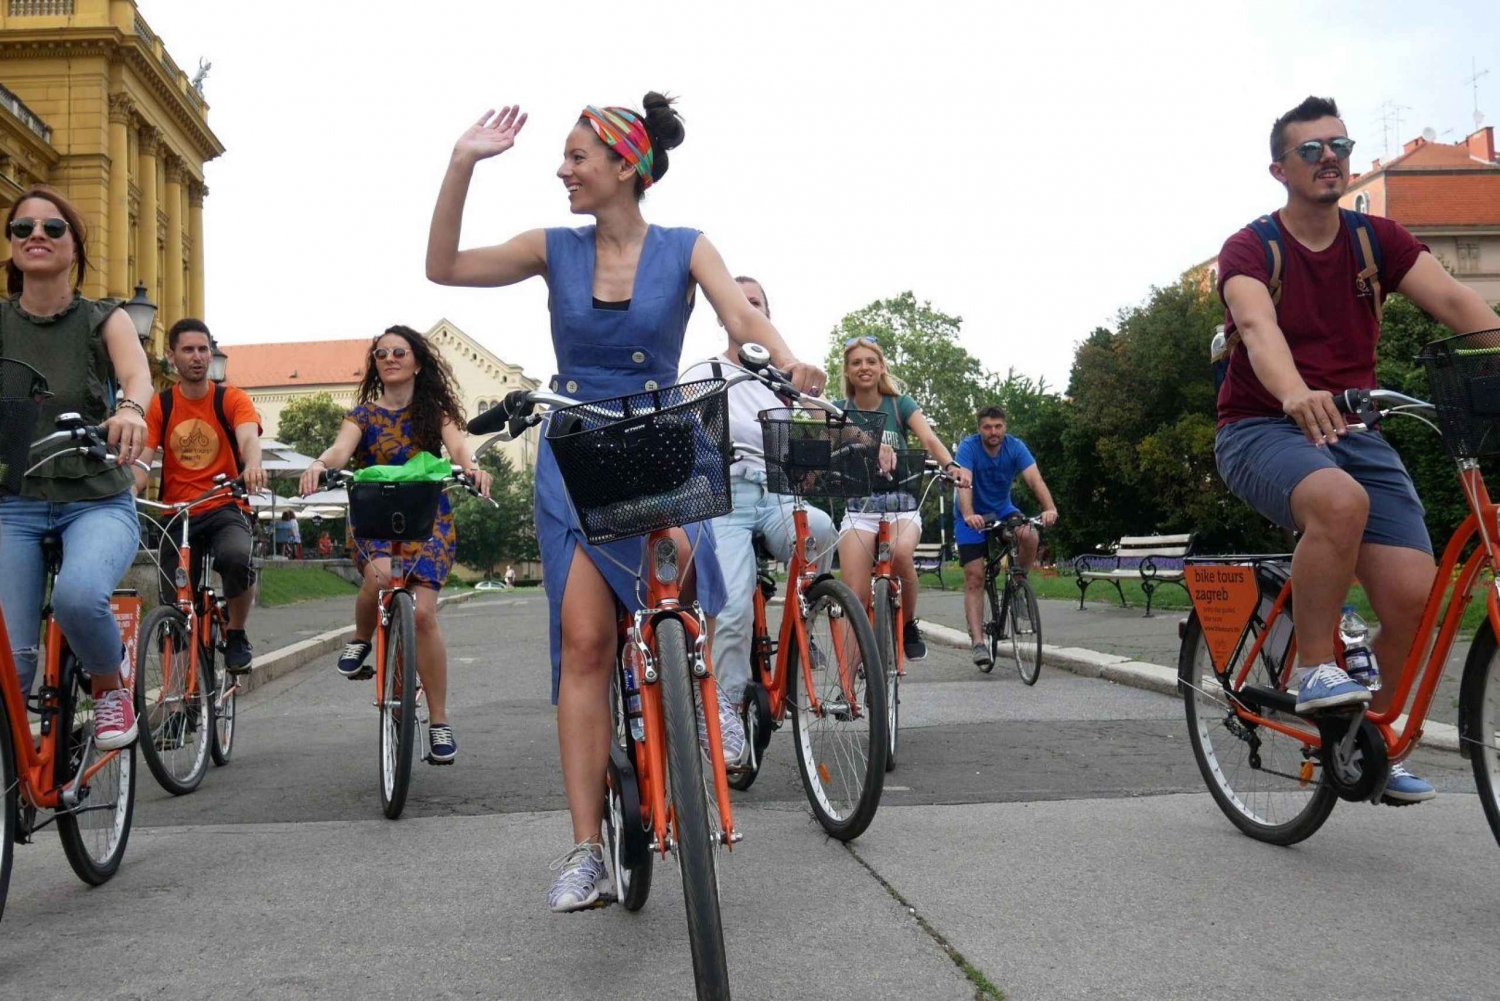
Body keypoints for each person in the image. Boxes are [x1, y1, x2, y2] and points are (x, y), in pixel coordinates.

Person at [425, 97, 824, 911]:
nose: (563, 170)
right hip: (576, 446)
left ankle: (695, 742)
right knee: (584, 642)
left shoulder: (685, 246)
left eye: (577, 157)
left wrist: (787, 356)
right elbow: (445, 267)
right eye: (564, 158)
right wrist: (462, 159)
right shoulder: (552, 248)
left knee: (682, 616)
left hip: (660, 436)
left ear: (625, 167)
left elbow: (738, 314)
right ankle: (584, 850)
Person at [1215, 96, 1500, 805]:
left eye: (1338, 146)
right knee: (1338, 502)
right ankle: (1315, 666)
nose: (1329, 158)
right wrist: (1293, 393)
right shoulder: (1252, 247)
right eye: (1310, 150)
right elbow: (1256, 326)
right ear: (1279, 168)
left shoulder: (1378, 241)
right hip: (1261, 426)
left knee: (1412, 599)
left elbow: (1460, 304)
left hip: (1355, 427)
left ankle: (1359, 742)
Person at [298, 325, 492, 765]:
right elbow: (339, 451)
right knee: (381, 576)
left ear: (417, 362)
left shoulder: (435, 412)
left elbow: (461, 449)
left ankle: (439, 722)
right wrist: (318, 465)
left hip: (428, 517)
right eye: (381, 353)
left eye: (399, 352)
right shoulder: (362, 416)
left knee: (423, 614)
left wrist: (473, 469)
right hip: (376, 515)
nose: (389, 358)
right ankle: (362, 637)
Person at [0, 186, 149, 749]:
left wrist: (131, 409)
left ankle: (110, 689)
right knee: (10, 665)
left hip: (95, 498)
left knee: (78, 596)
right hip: (14, 504)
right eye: (23, 228)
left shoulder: (102, 318)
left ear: (73, 245)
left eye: (52, 228)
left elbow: (136, 375)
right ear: (12, 245)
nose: (36, 235)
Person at [682, 275, 836, 740]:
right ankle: (725, 712)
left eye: (758, 304)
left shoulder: (784, 380)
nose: (750, 310)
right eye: (742, 303)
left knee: (823, 530)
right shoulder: (704, 374)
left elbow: (825, 417)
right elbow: (682, 439)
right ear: (726, 315)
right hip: (725, 498)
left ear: (767, 315)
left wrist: (862, 440)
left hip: (776, 493)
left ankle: (802, 618)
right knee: (731, 609)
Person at [135, 318, 266, 672]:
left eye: (203, 349)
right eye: (188, 350)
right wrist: (125, 491)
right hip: (178, 513)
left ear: (211, 354)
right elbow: (143, 462)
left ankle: (236, 633)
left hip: (225, 504)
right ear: (172, 356)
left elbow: (249, 438)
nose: (197, 357)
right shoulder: (161, 404)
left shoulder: (230, 398)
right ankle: (179, 694)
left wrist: (252, 465)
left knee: (236, 558)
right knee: (174, 603)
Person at [833, 336, 970, 661]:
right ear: (848, 372)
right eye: (856, 363)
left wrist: (951, 464)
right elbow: (814, 419)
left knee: (899, 551)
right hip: (859, 509)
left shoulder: (899, 405)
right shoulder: (840, 410)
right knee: (854, 598)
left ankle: (908, 622)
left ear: (881, 367)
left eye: (870, 361)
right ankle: (847, 691)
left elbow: (929, 438)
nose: (864, 367)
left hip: (901, 507)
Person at [954, 405, 1058, 668]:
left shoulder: (1015, 447)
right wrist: (968, 514)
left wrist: (1049, 508)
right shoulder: (968, 448)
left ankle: (1019, 583)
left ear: (1005, 427)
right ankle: (978, 643)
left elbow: (1035, 480)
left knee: (1029, 534)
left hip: (1002, 509)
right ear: (980, 429)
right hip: (972, 515)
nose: (993, 432)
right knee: (975, 576)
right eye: (988, 427)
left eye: (998, 427)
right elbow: (964, 483)